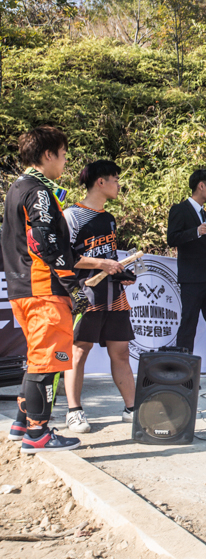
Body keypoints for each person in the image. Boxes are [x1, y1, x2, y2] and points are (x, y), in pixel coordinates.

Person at [2, 126, 90, 453]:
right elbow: (43, 242)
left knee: (36, 358)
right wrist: (72, 285)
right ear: (48, 154)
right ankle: (38, 433)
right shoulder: (38, 190)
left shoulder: (17, 187)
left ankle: (22, 421)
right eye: (64, 154)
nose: (66, 161)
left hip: (22, 288)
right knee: (47, 362)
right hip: (43, 288)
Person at [62, 161, 137, 433]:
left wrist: (120, 273)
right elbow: (65, 257)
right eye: (115, 179)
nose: (119, 184)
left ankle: (132, 409)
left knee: (121, 350)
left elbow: (109, 258)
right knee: (79, 350)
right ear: (100, 182)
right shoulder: (71, 216)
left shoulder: (109, 218)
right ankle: (74, 411)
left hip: (114, 295)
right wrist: (100, 265)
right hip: (85, 294)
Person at [167, 169, 206, 385]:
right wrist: (195, 231)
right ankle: (184, 373)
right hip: (192, 277)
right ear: (201, 185)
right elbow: (171, 239)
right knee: (189, 324)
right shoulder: (180, 210)